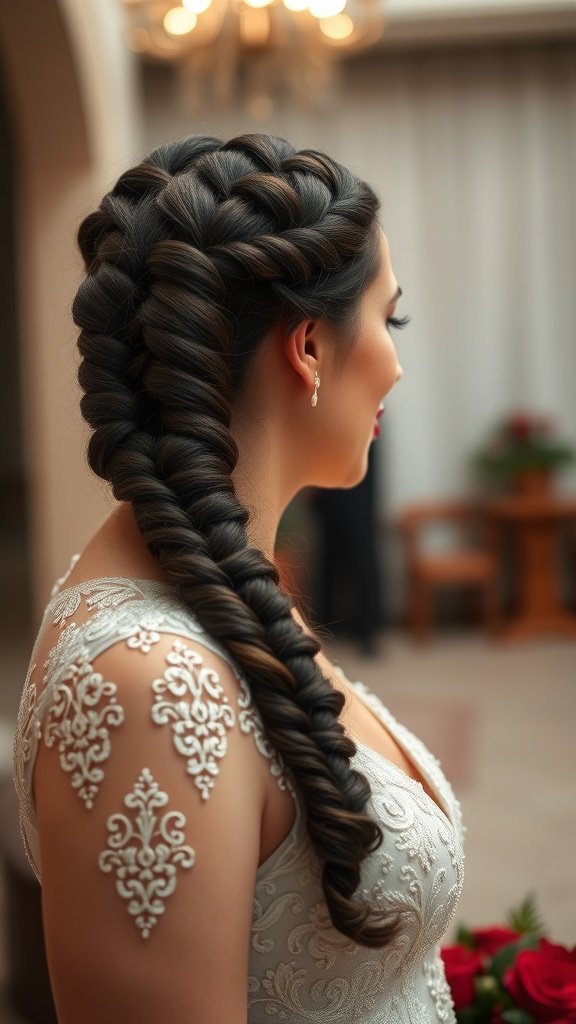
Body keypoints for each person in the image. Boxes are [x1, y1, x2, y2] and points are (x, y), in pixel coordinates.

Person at [12, 132, 465, 1023]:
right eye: (390, 318)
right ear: (308, 346)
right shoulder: (145, 685)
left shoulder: (216, 572)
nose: (398, 363)